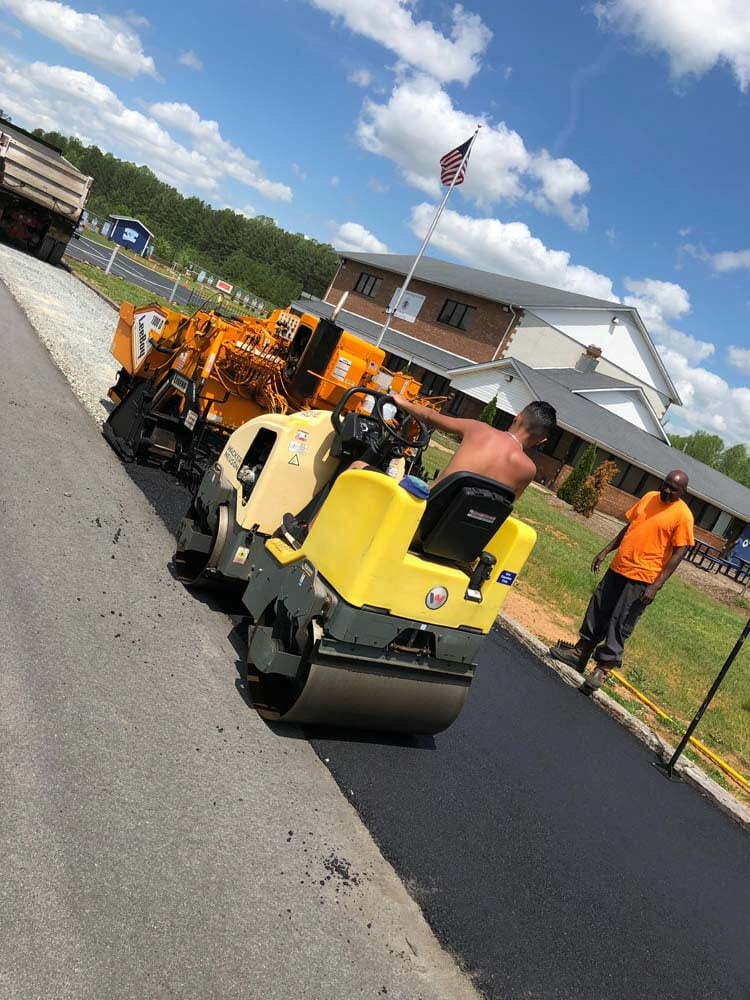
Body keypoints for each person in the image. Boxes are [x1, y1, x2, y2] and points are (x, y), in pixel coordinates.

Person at [550, 470, 694, 695]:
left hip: (643, 578)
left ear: (683, 492)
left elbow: (679, 553)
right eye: (665, 485)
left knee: (620, 621)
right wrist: (606, 550)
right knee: (598, 609)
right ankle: (580, 653)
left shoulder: (683, 515)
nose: (666, 490)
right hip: (619, 567)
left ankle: (602, 669)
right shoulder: (648, 498)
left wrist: (656, 585)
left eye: (673, 489)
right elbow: (629, 527)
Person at [386, 394, 557, 498]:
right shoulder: (529, 470)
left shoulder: (477, 429)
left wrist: (402, 402)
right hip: (459, 540)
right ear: (541, 441)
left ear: (517, 416)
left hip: (423, 517)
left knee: (360, 465)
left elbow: (430, 416)